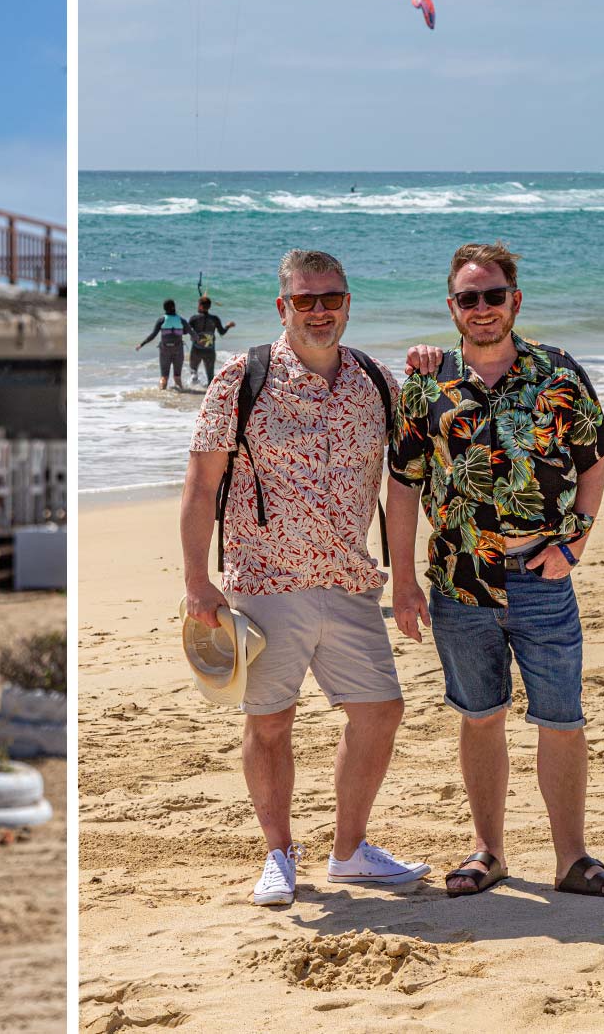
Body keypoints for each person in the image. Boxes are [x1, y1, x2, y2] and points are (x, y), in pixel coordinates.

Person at [179, 249, 430, 907]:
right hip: (266, 582)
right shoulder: (243, 377)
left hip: (351, 581)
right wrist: (196, 582)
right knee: (270, 724)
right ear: (282, 307)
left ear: (349, 303)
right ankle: (278, 854)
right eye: (306, 300)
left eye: (332, 298)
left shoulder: (377, 382)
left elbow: (407, 483)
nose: (320, 311)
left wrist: (405, 580)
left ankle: (349, 851)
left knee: (381, 713)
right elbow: (201, 485)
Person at [386, 241, 604, 899]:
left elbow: (595, 460)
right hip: (461, 578)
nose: (483, 308)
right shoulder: (425, 384)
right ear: (452, 307)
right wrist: (402, 580)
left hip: (542, 576)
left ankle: (572, 857)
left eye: (494, 296)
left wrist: (573, 543)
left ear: (515, 300)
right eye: (470, 298)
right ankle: (488, 851)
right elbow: (403, 484)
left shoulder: (559, 373)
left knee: (562, 717)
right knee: (481, 714)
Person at [139, 299, 190, 390]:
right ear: (174, 307)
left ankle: (162, 393)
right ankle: (181, 395)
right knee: (177, 377)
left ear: (164, 308)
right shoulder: (181, 320)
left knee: (164, 377)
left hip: (165, 349)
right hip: (178, 349)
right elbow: (190, 332)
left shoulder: (162, 320)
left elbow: (153, 335)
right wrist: (198, 340)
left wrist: (142, 344)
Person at [186, 296, 236, 386]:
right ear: (209, 307)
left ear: (200, 306)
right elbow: (222, 332)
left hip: (196, 350)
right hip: (209, 350)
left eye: (198, 305)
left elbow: (186, 331)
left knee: (193, 372)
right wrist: (228, 326)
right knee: (210, 377)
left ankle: (194, 392)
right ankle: (210, 395)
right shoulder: (214, 319)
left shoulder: (194, 318)